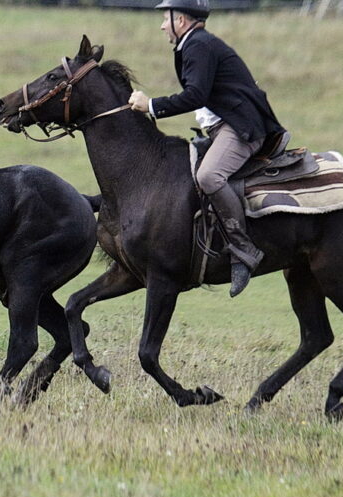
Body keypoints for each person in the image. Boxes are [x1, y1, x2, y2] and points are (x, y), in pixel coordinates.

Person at [128, 0, 285, 297]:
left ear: (182, 21)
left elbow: (195, 95)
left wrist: (151, 105)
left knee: (209, 176)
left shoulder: (198, 45)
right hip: (223, 127)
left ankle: (243, 250)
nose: (163, 25)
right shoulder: (196, 43)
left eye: (166, 18)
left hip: (240, 128)